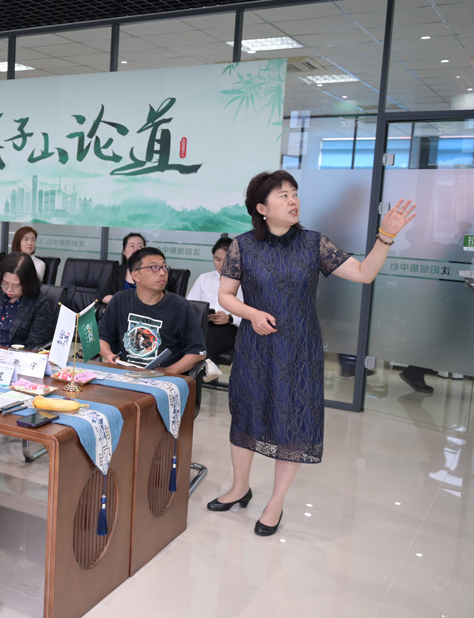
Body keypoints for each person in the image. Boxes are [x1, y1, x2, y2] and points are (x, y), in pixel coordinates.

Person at [211, 170, 416, 537]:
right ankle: (240, 487)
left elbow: (364, 274)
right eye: (283, 195)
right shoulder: (243, 246)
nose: (293, 200)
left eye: (294, 193)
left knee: (293, 421)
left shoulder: (313, 243)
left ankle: (275, 503)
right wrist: (252, 314)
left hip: (299, 350)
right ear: (261, 208)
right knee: (246, 415)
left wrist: (385, 236)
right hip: (256, 346)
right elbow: (226, 296)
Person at [98, 246, 205, 373]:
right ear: (136, 275)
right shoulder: (120, 300)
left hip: (162, 377)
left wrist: (168, 371)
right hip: (123, 372)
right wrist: (108, 355)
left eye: (164, 267)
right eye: (154, 267)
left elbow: (197, 353)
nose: (162, 273)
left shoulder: (181, 307)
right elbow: (102, 338)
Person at [0, 252, 53, 349]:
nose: (9, 289)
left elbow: (34, 344)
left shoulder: (40, 304)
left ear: (28, 282)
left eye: (16, 286)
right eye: (5, 283)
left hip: (15, 354)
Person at [186, 236, 244, 363]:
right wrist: (203, 316)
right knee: (202, 332)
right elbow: (190, 306)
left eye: (227, 260)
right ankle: (207, 369)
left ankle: (203, 370)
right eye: (217, 259)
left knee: (202, 337)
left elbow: (249, 314)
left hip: (230, 329)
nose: (221, 264)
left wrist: (229, 318)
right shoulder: (204, 278)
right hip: (205, 326)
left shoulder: (244, 282)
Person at [101, 232, 146, 304]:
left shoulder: (152, 272)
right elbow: (104, 296)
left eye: (140, 246)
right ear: (124, 251)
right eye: (132, 246)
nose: (136, 250)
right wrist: (124, 304)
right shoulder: (118, 270)